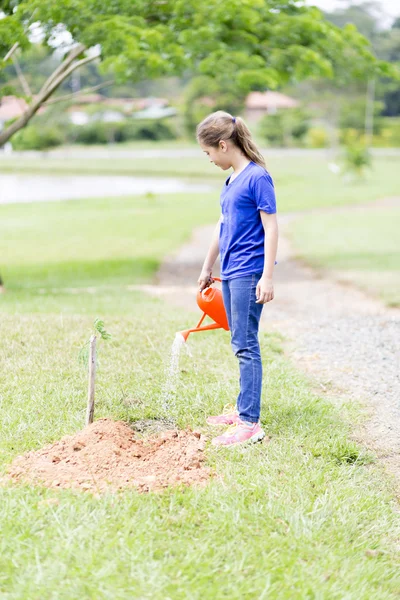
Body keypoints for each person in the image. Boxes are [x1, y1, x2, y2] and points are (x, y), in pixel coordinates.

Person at [196, 111, 278, 447]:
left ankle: (249, 424)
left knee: (246, 345)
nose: (209, 159)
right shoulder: (230, 182)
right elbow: (222, 226)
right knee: (239, 342)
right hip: (229, 271)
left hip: (249, 271)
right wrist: (206, 267)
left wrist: (268, 276)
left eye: (208, 153)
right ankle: (243, 410)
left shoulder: (257, 178)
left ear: (224, 145)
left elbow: (271, 227)